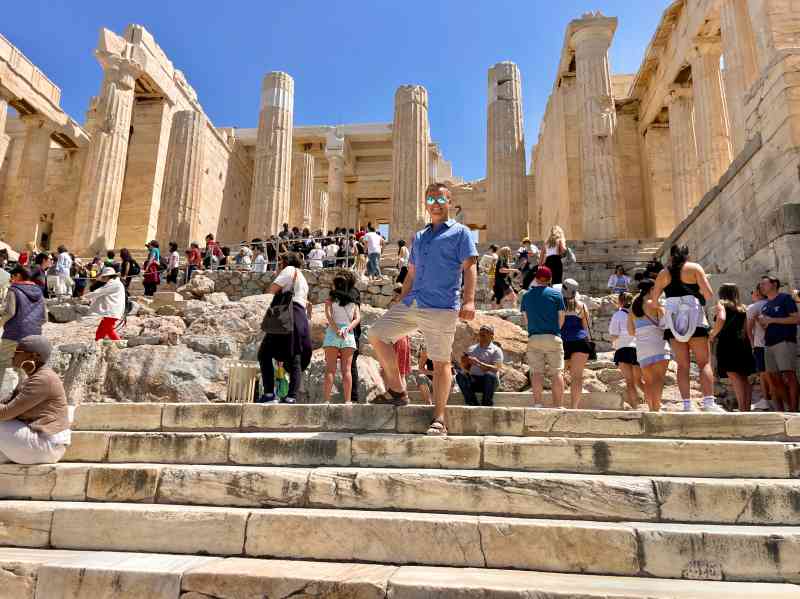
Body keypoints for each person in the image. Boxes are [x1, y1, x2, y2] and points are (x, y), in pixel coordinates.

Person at [369, 181, 477, 436]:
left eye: (440, 199)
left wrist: (469, 300)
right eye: (430, 200)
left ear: (450, 203)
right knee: (377, 334)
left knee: (440, 363)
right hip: (414, 301)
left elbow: (470, 266)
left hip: (441, 305)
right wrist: (401, 298)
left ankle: (439, 418)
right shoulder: (419, 236)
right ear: (426, 205)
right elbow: (412, 272)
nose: (435, 204)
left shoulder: (461, 232)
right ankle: (397, 389)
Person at [653, 244, 721, 412]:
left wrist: (665, 309)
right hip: (695, 318)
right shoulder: (694, 268)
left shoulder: (663, 274)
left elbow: (655, 300)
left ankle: (686, 404)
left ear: (671, 256)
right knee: (704, 362)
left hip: (673, 321)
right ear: (686, 255)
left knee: (682, 365)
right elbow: (709, 293)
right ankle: (708, 403)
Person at [0, 336, 70, 464]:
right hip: (38, 444)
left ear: (34, 356)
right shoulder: (33, 378)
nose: (13, 355)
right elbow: (5, 403)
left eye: (18, 352)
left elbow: (4, 413)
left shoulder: (43, 379)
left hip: (48, 445)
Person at [257, 252, 312, 404]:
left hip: (286, 315)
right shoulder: (302, 277)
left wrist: (277, 273)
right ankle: (291, 396)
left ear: (286, 262)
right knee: (295, 356)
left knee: (264, 354)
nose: (278, 264)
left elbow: (272, 290)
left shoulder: (288, 270)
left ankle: (269, 394)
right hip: (299, 316)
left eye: (280, 262)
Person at [520, 266, 565, 407]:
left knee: (536, 373)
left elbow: (525, 319)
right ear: (550, 279)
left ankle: (538, 403)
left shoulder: (526, 296)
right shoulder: (557, 295)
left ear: (536, 278)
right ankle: (558, 405)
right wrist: (555, 330)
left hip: (534, 337)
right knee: (557, 373)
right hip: (552, 336)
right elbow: (561, 317)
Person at [0, 266, 47, 393]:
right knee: (24, 366)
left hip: (14, 334)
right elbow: (45, 317)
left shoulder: (13, 290)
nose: (11, 280)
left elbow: (10, 312)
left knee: (3, 363)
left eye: (12, 276)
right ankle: (23, 395)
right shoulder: (39, 291)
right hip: (35, 336)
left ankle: (3, 396)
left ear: (18, 276)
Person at [628, 279, 672, 412]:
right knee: (659, 380)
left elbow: (631, 332)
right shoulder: (654, 304)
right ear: (651, 289)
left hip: (642, 348)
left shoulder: (632, 308)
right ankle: (656, 409)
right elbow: (665, 324)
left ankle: (651, 409)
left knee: (648, 381)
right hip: (658, 344)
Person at [709, 283, 754, 411]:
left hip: (727, 343)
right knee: (744, 377)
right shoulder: (743, 308)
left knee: (734, 376)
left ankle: (741, 408)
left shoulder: (721, 304)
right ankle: (746, 408)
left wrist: (713, 334)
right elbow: (746, 328)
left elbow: (721, 318)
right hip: (742, 343)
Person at [757, 275, 799, 412]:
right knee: (773, 379)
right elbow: (766, 324)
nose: (761, 287)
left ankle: (793, 410)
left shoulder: (785, 298)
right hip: (769, 344)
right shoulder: (765, 306)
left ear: (774, 284)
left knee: (789, 375)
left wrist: (772, 320)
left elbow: (796, 319)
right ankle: (789, 409)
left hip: (784, 341)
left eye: (764, 283)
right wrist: (763, 323)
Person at [322, 270, 361, 403]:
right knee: (347, 370)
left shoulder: (330, 300)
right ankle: (348, 401)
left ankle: (326, 401)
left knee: (330, 369)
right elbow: (357, 319)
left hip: (333, 333)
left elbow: (328, 316)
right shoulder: (353, 301)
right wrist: (347, 329)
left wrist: (336, 329)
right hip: (348, 335)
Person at [609, 292, 645, 410]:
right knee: (639, 380)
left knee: (629, 381)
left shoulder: (618, 315)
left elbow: (614, 334)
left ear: (619, 302)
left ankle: (635, 407)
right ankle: (654, 402)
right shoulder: (638, 313)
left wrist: (615, 346)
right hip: (638, 347)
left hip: (623, 347)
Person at [560, 279, 592, 409]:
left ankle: (559, 404)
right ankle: (574, 407)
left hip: (563, 341)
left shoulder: (558, 305)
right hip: (580, 341)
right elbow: (585, 327)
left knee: (559, 374)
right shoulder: (582, 306)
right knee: (577, 377)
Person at [455, 324, 503, 406]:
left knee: (490, 375)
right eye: (481, 330)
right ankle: (472, 402)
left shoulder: (496, 350)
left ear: (491, 335)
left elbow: (496, 368)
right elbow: (466, 368)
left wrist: (478, 363)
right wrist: (465, 362)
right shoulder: (471, 349)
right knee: (460, 376)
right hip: (474, 380)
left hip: (489, 382)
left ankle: (486, 402)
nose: (482, 332)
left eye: (486, 331)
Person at [746, 286, 773, 410]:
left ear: (757, 293)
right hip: (775, 343)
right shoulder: (772, 303)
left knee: (763, 373)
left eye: (752, 292)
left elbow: (749, 329)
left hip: (760, 344)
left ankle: (766, 399)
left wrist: (752, 344)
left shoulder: (753, 307)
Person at [86, 267, 126, 341]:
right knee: (102, 330)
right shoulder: (115, 282)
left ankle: (120, 345)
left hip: (112, 311)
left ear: (107, 276)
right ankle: (98, 344)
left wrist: (85, 297)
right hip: (112, 311)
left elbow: (99, 292)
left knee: (107, 330)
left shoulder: (113, 283)